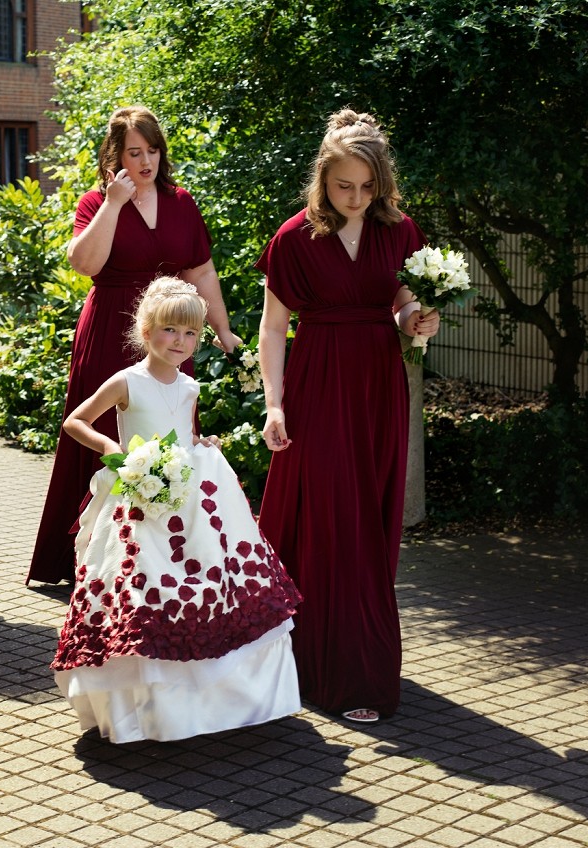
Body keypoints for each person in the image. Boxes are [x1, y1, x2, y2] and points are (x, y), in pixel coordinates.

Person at [51, 277, 303, 744]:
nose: (180, 342)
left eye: (190, 334)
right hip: (140, 501)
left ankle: (211, 702)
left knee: (203, 578)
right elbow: (75, 421)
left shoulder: (190, 386)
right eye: (170, 331)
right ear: (146, 331)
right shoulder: (127, 381)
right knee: (144, 586)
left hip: (190, 503)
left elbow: (182, 434)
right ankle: (141, 707)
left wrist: (199, 442)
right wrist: (116, 449)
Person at [256, 109, 440, 722]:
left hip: (379, 389)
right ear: (323, 180)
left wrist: (419, 325)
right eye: (344, 186)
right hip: (317, 385)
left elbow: (405, 313)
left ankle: (347, 658)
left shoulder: (400, 231)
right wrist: (274, 402)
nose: (357, 198)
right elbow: (274, 328)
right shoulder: (294, 238)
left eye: (368, 187)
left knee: (369, 521)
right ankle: (343, 675)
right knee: (331, 521)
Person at [27, 106, 243, 585]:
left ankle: (170, 553)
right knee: (106, 431)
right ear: (116, 157)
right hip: (109, 327)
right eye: (134, 152)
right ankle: (91, 558)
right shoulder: (95, 202)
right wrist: (113, 203)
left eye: (152, 150)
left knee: (168, 429)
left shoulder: (181, 202)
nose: (146, 161)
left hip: (169, 332)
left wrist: (222, 330)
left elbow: (201, 271)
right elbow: (84, 263)